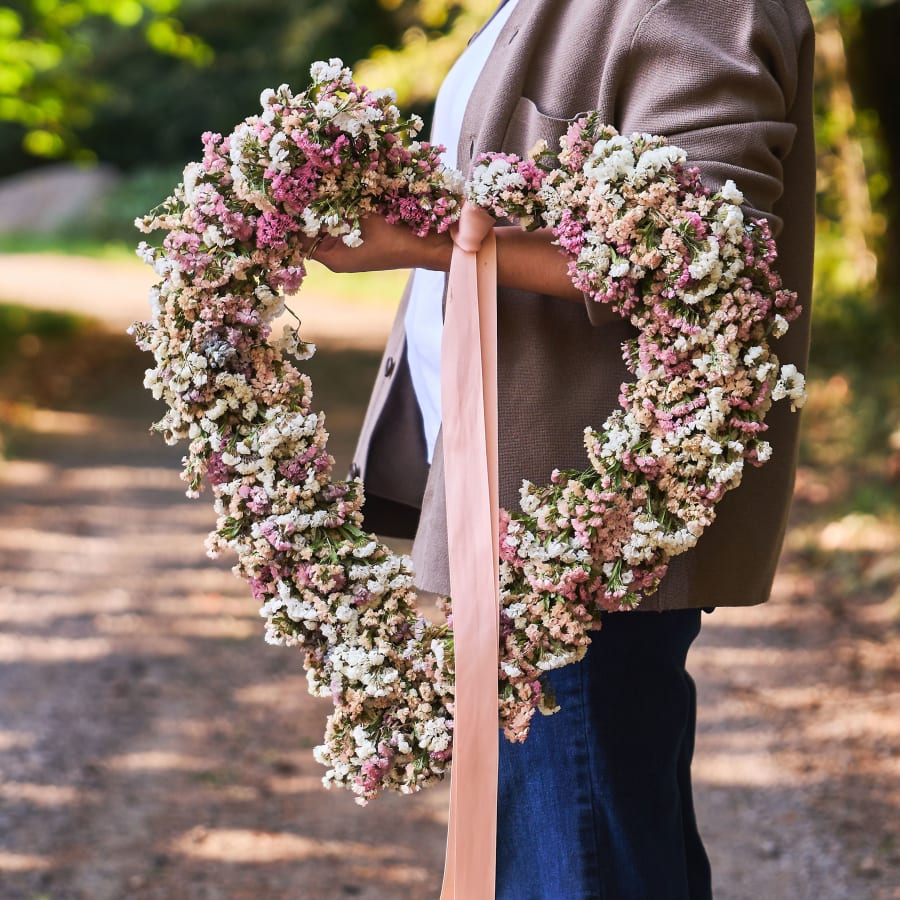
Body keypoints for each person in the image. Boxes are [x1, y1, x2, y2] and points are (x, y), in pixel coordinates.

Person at [313, 1, 816, 897]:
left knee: (578, 857)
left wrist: (418, 242)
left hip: (582, 529)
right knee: (588, 849)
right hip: (512, 511)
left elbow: (707, 254)